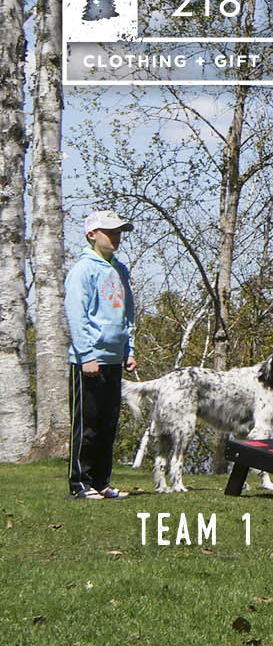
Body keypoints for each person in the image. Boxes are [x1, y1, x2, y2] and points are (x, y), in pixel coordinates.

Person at [66, 210, 138, 500]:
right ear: (92, 235)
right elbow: (76, 314)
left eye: (119, 231)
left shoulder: (119, 270)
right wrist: (87, 355)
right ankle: (80, 483)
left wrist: (128, 349)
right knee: (88, 425)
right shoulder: (83, 270)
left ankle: (101, 481)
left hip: (113, 358)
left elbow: (126, 313)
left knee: (108, 424)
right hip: (90, 360)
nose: (116, 237)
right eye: (110, 231)